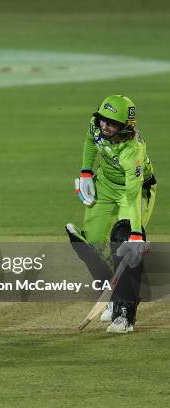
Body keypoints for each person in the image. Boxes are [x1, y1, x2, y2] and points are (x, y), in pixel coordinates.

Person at [66, 95, 156, 333]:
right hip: (105, 184)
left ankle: (125, 315)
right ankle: (113, 295)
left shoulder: (132, 151)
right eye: (102, 120)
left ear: (125, 127)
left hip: (133, 191)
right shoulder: (97, 126)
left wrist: (136, 233)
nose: (104, 126)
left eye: (111, 123)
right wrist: (86, 172)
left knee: (123, 240)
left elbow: (133, 192)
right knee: (93, 241)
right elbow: (89, 140)